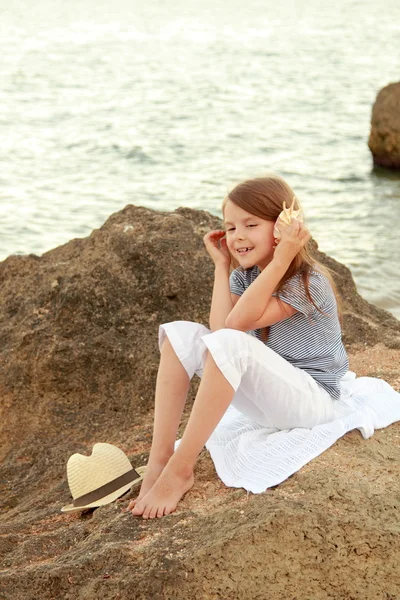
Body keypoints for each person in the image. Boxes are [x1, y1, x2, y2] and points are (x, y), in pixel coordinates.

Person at [127, 175, 349, 520]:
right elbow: (218, 328)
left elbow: (236, 326)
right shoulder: (244, 276)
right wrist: (222, 266)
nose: (238, 236)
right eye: (230, 228)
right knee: (180, 334)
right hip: (269, 401)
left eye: (251, 224)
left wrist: (282, 257)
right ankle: (160, 460)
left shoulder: (309, 281)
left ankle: (182, 468)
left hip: (312, 402)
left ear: (284, 225)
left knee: (231, 342)